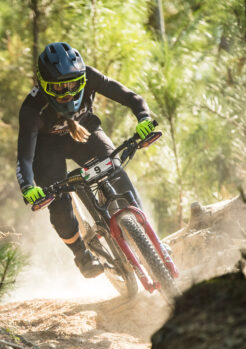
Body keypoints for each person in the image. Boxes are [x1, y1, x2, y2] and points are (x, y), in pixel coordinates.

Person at [16, 42, 156, 278]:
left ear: (82, 79)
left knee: (116, 170)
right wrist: (29, 187)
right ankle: (81, 254)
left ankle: (150, 241)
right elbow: (25, 157)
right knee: (59, 206)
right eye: (59, 88)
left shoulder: (89, 75)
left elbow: (131, 97)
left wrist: (144, 118)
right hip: (47, 147)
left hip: (85, 132)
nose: (68, 93)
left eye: (73, 85)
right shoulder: (32, 109)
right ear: (43, 85)